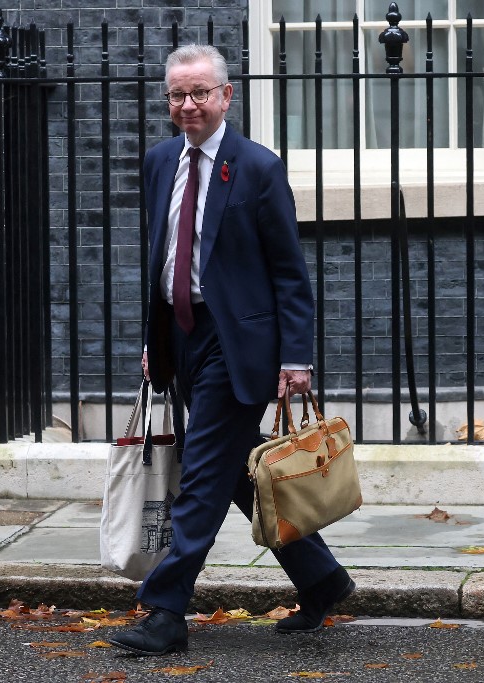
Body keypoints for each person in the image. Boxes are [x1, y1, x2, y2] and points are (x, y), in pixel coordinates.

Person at [108, 44, 353, 657]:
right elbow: (164, 260)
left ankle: (164, 611)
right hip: (181, 338)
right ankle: (322, 581)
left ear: (226, 95)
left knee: (203, 476)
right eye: (176, 95)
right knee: (236, 469)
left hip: (238, 343)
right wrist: (153, 341)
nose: (187, 105)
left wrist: (295, 358)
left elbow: (288, 272)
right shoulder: (160, 161)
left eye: (199, 94)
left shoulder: (258, 168)